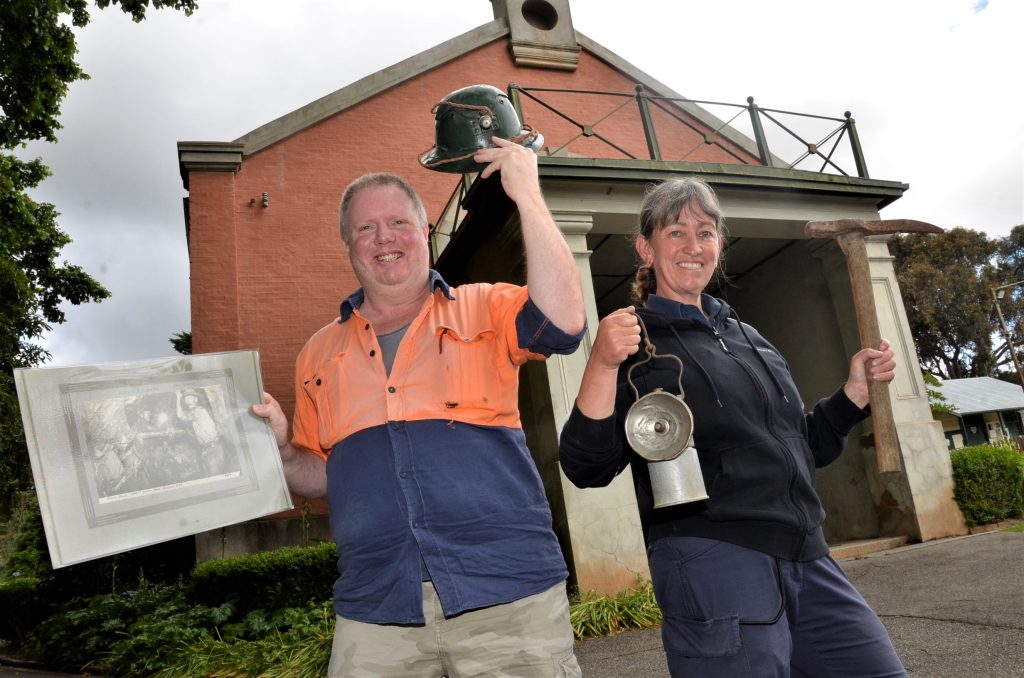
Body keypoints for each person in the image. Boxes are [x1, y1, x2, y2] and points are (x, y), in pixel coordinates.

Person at [252, 135, 586, 677]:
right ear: (348, 246)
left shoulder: (484, 306)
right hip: (377, 609)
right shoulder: (317, 352)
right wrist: (284, 450)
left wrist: (527, 195)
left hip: (506, 596)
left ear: (424, 232)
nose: (385, 238)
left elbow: (564, 323)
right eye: (365, 228)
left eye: (400, 223)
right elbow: (317, 475)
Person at [557, 177, 907, 677]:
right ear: (645, 247)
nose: (693, 247)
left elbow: (802, 449)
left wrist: (854, 395)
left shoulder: (750, 339)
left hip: (808, 556)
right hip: (715, 560)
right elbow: (586, 466)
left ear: (720, 245)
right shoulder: (635, 342)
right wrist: (601, 366)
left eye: (706, 232)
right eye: (676, 232)